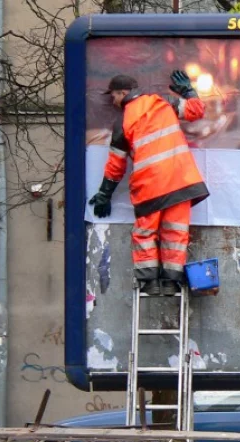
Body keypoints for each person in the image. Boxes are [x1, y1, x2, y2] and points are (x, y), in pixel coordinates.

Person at [88, 71, 209, 296]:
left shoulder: (123, 121)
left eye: (113, 96)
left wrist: (105, 194)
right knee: (176, 233)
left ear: (123, 93)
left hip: (151, 186)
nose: (113, 101)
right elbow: (196, 110)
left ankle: (150, 283)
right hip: (181, 181)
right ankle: (172, 282)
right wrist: (188, 91)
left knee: (145, 233)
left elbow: (116, 165)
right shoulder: (163, 102)